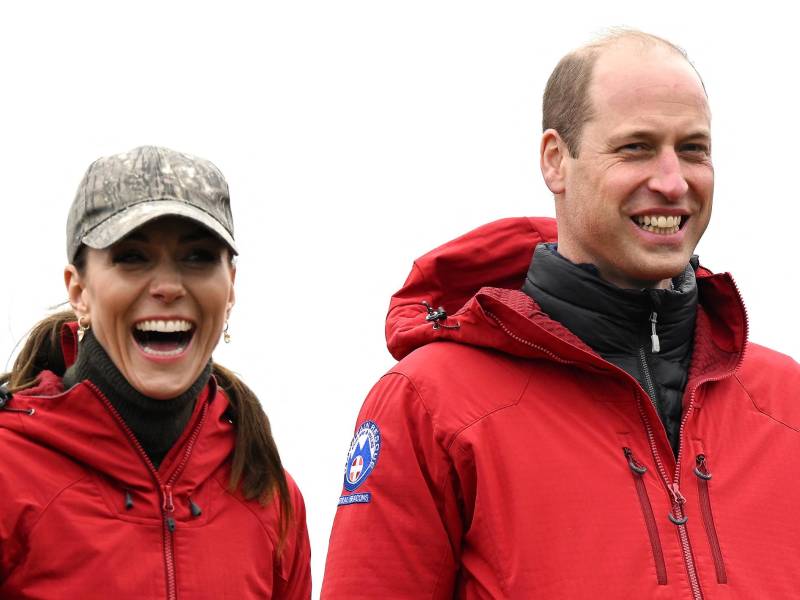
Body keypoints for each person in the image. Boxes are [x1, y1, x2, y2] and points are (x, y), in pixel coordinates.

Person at [322, 30, 800, 599]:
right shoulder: (430, 401)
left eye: (693, 148)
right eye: (636, 147)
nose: (674, 182)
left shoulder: (786, 401)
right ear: (556, 161)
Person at [0, 146, 311, 598]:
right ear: (78, 289)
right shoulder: (8, 469)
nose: (167, 287)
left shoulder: (269, 493)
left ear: (231, 289)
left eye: (198, 257)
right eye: (132, 257)